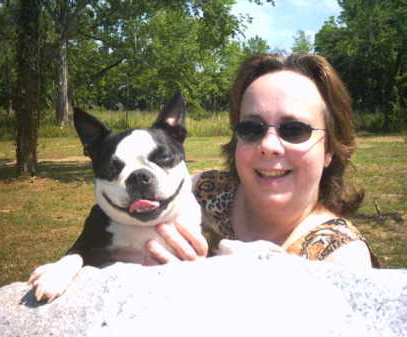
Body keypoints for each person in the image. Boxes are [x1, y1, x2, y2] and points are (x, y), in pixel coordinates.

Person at [146, 53, 379, 268]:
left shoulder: (339, 259)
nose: (268, 146)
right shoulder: (197, 194)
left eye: (294, 129)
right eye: (251, 128)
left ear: (330, 148)